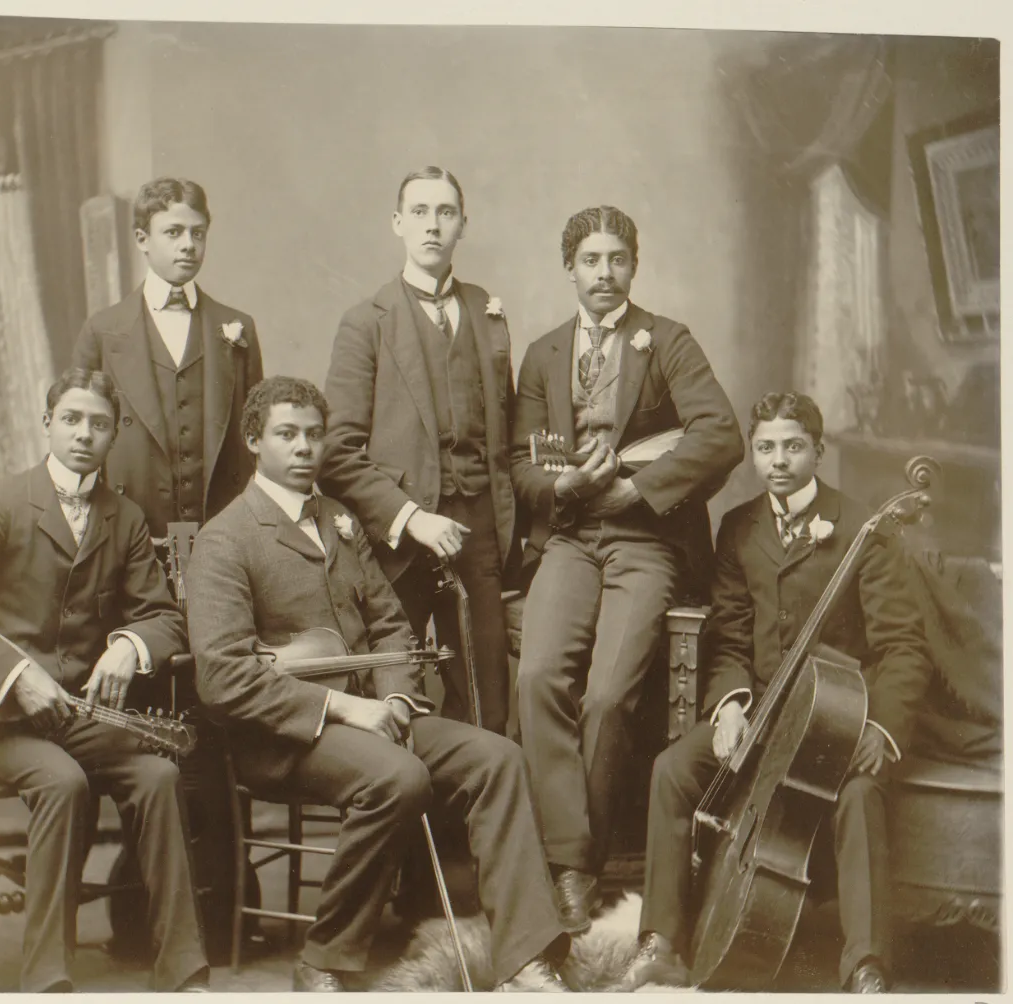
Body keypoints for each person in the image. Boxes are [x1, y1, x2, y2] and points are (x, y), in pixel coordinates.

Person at [187, 375, 571, 992]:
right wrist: (345, 710)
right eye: (287, 435)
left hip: (377, 715)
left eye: (315, 434)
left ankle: (524, 956)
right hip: (283, 736)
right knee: (399, 776)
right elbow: (222, 677)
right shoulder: (225, 538)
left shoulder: (339, 518)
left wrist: (393, 696)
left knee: (497, 757)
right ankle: (324, 957)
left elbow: (391, 624)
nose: (304, 448)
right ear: (255, 441)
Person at [0, 368, 209, 993]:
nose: (83, 434)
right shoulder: (2, 500)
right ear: (47, 423)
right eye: (71, 419)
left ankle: (184, 970)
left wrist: (130, 647)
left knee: (158, 775)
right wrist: (16, 676)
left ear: (114, 434)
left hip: (73, 718)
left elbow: (162, 616)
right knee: (64, 784)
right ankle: (46, 978)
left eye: (99, 423)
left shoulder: (121, 517)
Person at [622, 391, 931, 993]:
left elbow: (902, 646)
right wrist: (732, 704)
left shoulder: (864, 528)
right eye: (765, 448)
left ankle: (866, 964)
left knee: (861, 795)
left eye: (793, 446)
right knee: (671, 770)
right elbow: (732, 637)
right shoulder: (739, 528)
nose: (778, 460)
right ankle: (661, 941)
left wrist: (881, 728)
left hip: (834, 719)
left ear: (818, 449)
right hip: (762, 716)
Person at [510, 205, 744, 933]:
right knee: (537, 676)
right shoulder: (544, 354)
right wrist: (566, 488)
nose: (604, 273)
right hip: (572, 538)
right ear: (569, 268)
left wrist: (635, 488)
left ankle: (577, 867)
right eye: (590, 260)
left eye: (617, 259)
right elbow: (521, 467)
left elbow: (721, 436)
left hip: (645, 540)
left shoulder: (667, 341)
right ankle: (565, 857)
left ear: (634, 265)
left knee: (609, 695)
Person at [321, 167, 516, 736]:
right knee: (395, 695)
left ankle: (477, 827)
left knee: (485, 703)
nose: (433, 225)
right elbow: (335, 450)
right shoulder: (365, 323)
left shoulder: (487, 312)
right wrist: (410, 518)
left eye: (446, 213)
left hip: (478, 531)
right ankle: (411, 824)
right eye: (421, 213)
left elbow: (502, 438)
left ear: (463, 225)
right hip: (397, 544)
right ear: (398, 224)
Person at [73, 176, 263, 539]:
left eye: (198, 233)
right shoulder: (103, 331)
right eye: (173, 233)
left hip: (223, 532)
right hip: (131, 534)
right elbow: (78, 442)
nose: (189, 245)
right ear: (142, 239)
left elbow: (256, 442)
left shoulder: (239, 329)